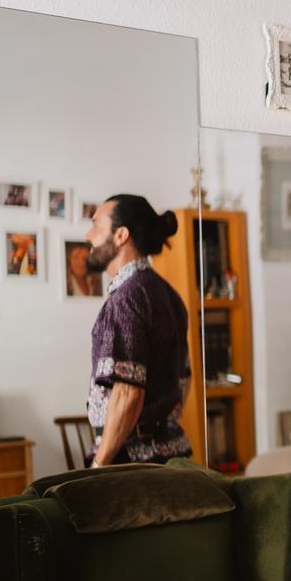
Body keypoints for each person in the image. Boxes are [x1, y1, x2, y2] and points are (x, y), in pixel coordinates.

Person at [83, 194, 192, 466]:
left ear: (121, 235)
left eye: (96, 225)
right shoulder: (167, 293)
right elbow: (185, 380)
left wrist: (100, 465)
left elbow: (128, 392)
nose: (88, 235)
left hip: (133, 462)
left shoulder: (127, 298)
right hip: (171, 455)